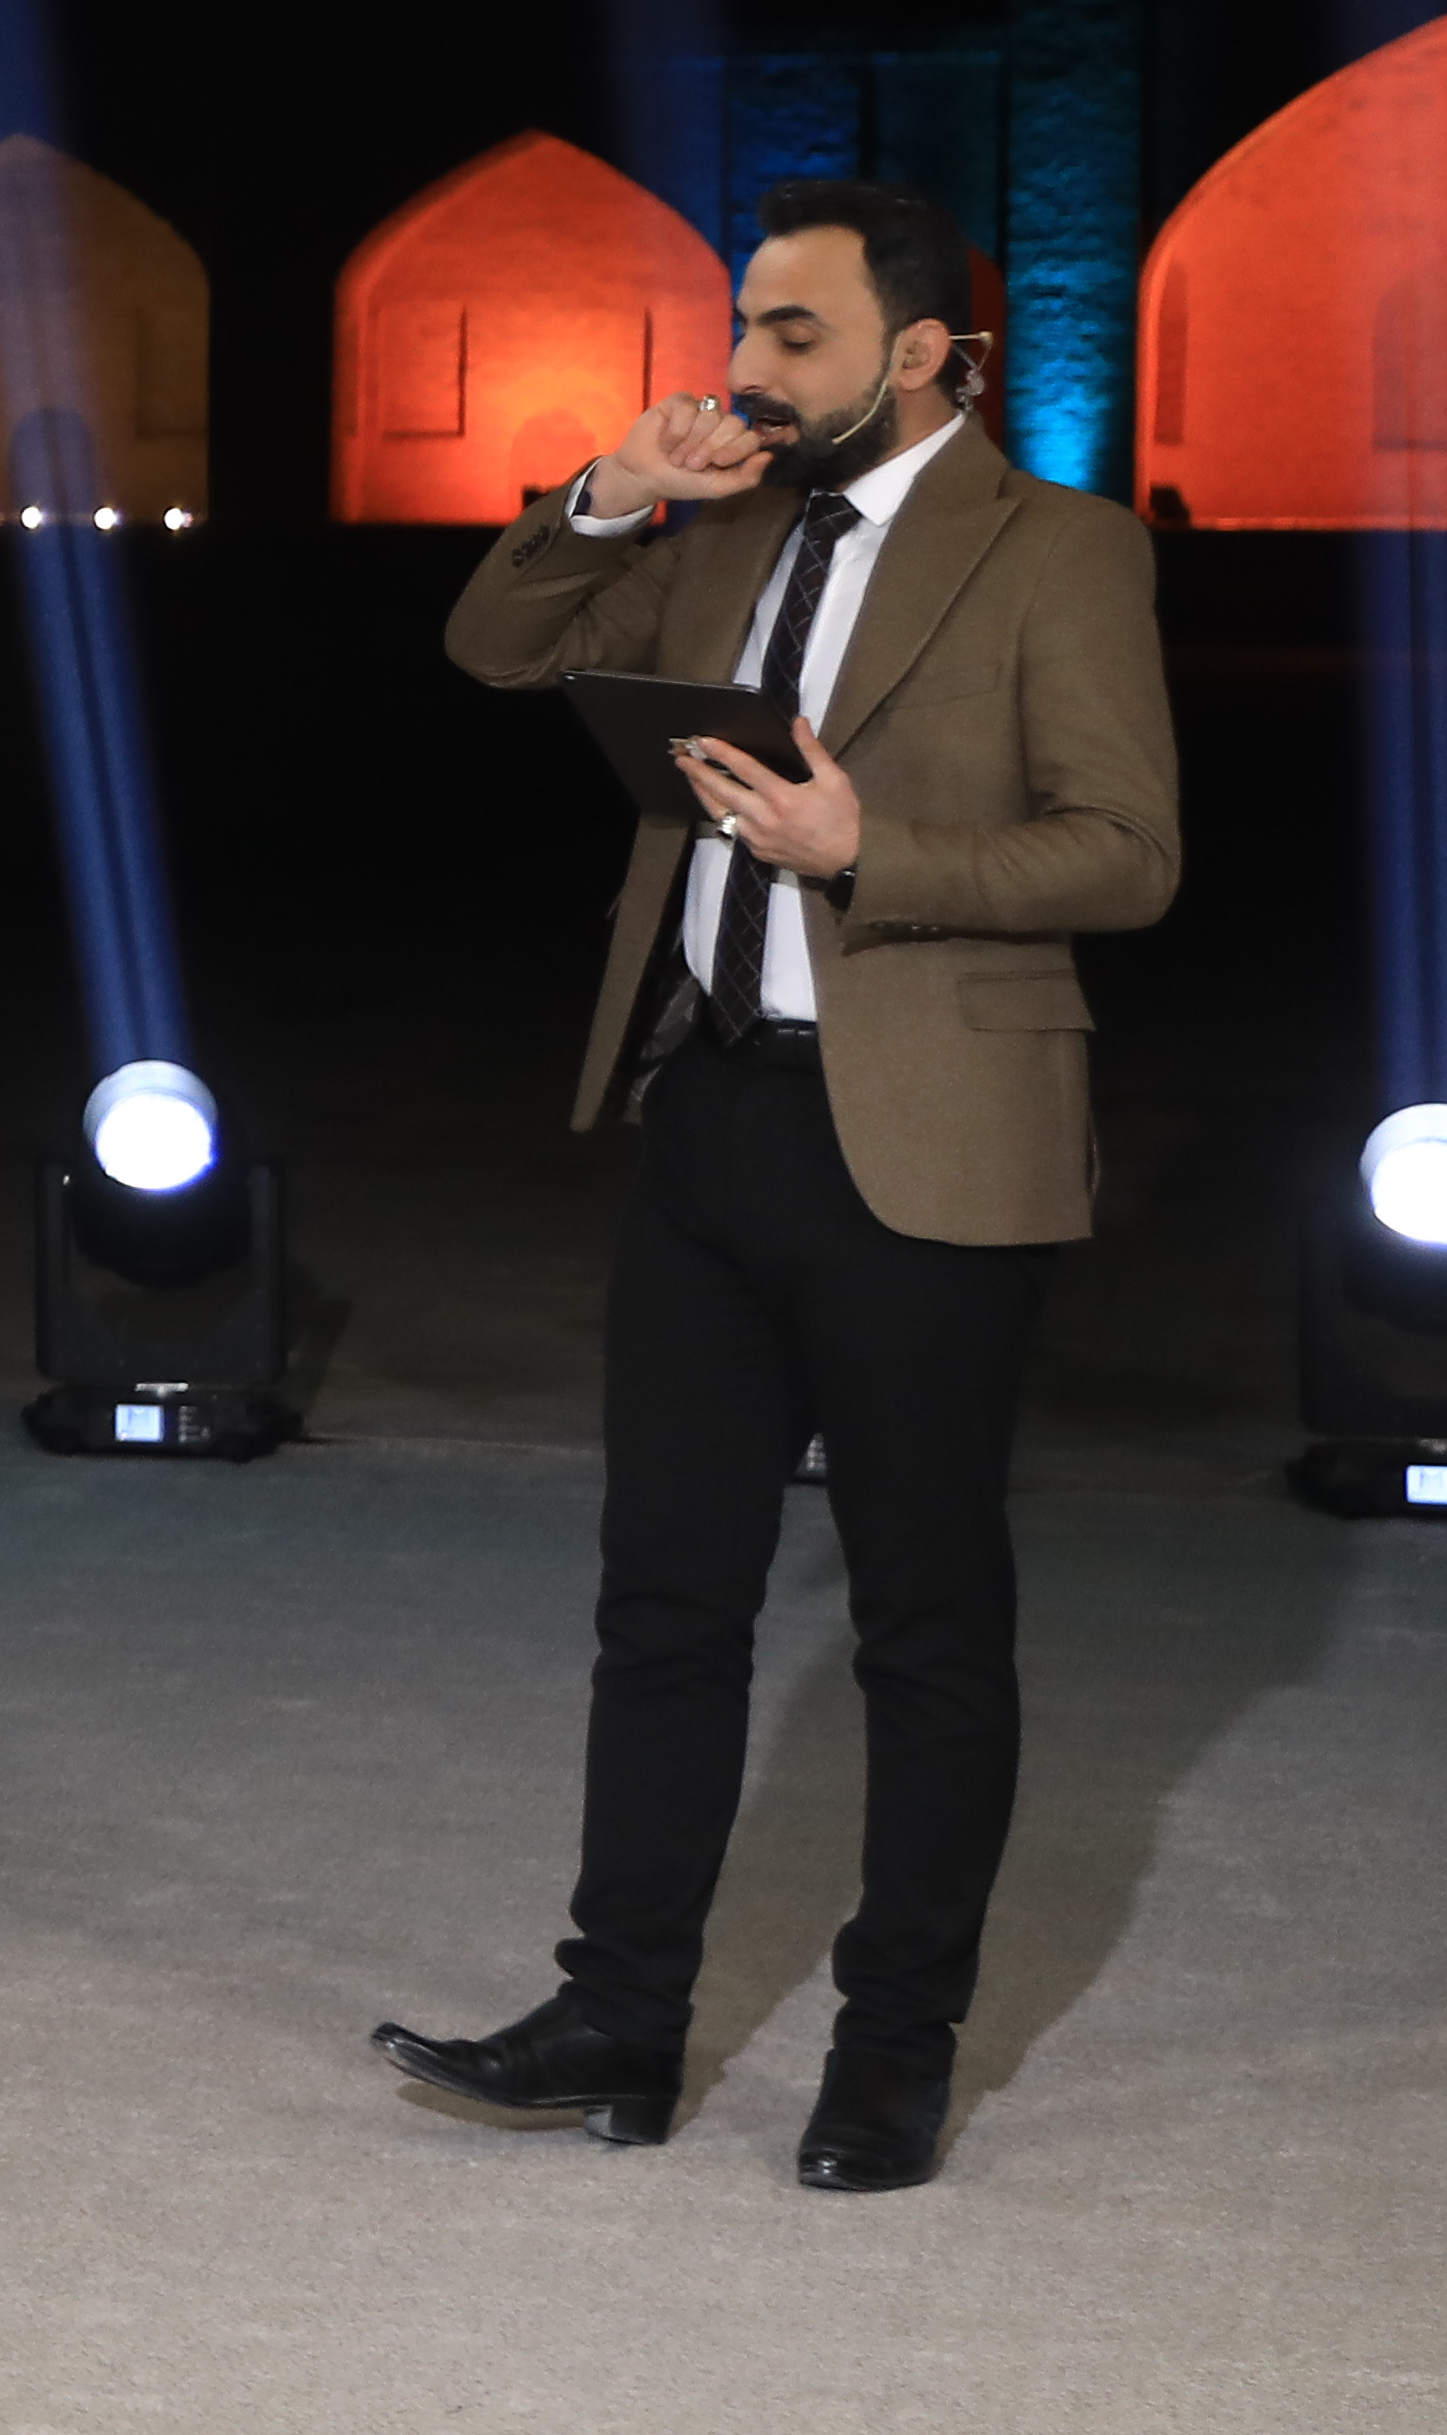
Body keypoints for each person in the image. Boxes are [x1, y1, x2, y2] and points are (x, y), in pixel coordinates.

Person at [376, 177, 1178, 2194]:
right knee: (666, 1598)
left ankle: (894, 2051)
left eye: (791, 333)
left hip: (931, 1139)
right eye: (742, 323)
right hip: (711, 1114)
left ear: (917, 350)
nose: (743, 366)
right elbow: (490, 647)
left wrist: (863, 850)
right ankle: (619, 2019)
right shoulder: (725, 525)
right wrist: (608, 495)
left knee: (925, 1622)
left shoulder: (1060, 548)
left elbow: (1126, 850)